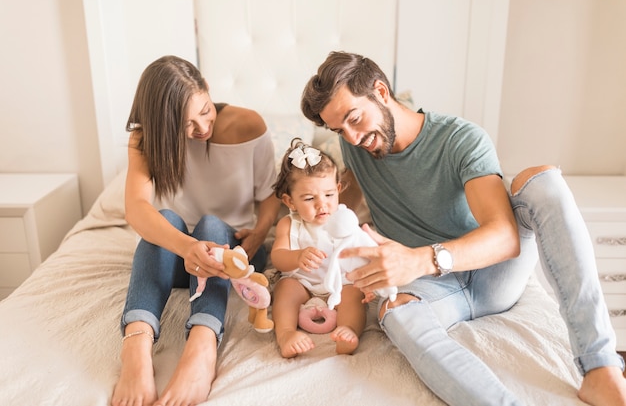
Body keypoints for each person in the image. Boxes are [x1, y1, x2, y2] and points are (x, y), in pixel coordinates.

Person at [300, 51, 626, 406]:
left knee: (542, 181)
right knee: (394, 312)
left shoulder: (460, 139)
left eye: (354, 119)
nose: (351, 137)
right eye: (338, 130)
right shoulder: (357, 149)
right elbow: (342, 203)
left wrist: (420, 260)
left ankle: (600, 368)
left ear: (380, 91)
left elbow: (505, 237)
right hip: (433, 291)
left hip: (491, 273)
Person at [111, 55, 281, 406]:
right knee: (167, 219)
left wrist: (260, 231)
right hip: (181, 256)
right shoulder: (144, 141)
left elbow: (270, 197)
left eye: (205, 110)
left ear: (207, 89)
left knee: (212, 225)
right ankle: (137, 348)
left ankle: (202, 345)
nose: (202, 128)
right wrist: (189, 247)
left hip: (235, 255)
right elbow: (137, 209)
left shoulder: (248, 125)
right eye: (186, 125)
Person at [271, 138, 369, 357]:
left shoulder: (345, 219)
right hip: (303, 283)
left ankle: (349, 330)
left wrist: (367, 279)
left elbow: (361, 251)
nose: (321, 204)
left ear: (338, 189)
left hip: (340, 282)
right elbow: (278, 256)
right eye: (308, 198)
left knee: (354, 295)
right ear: (290, 201)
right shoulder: (290, 223)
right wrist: (296, 257)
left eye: (328, 195)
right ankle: (285, 334)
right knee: (284, 289)